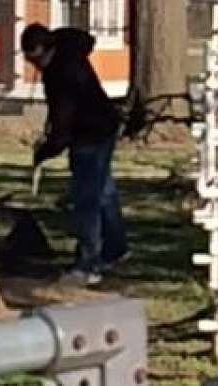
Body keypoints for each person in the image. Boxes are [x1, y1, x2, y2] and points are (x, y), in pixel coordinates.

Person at [21, 23, 128, 286]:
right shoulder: (70, 51)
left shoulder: (61, 73)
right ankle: (115, 248)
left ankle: (88, 264)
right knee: (104, 191)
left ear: (44, 50)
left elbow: (63, 124)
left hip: (89, 135)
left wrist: (45, 151)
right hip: (105, 125)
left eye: (34, 58)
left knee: (86, 199)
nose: (34, 65)